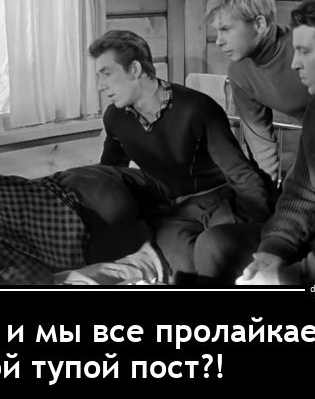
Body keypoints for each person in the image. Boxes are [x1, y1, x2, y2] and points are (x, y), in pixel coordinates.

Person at [196, 0, 315, 286]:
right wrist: (274, 249)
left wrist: (290, 275)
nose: (295, 63)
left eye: (304, 51)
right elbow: (301, 191)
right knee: (215, 245)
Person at [89, 30, 272, 279]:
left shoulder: (196, 108)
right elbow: (109, 173)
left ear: (134, 69)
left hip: (219, 199)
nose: (100, 86)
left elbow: (240, 173)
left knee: (219, 258)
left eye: (106, 73)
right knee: (184, 273)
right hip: (171, 213)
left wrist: (267, 230)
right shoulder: (115, 117)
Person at [0, 163, 161, 285]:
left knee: (166, 237)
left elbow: (32, 277)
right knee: (169, 186)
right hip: (81, 183)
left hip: (89, 227)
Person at [207, 0, 312, 185]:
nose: (218, 41)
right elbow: (260, 140)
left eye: (225, 29)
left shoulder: (302, 50)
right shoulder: (240, 73)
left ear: (259, 24)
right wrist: (267, 191)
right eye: (216, 31)